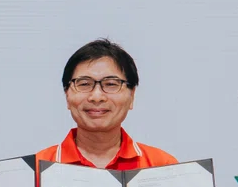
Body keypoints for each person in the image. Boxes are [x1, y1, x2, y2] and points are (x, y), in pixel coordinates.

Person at [37, 38, 177, 169]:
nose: (97, 97)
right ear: (67, 95)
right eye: (84, 84)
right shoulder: (39, 168)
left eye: (111, 84)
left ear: (132, 95)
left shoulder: (162, 166)